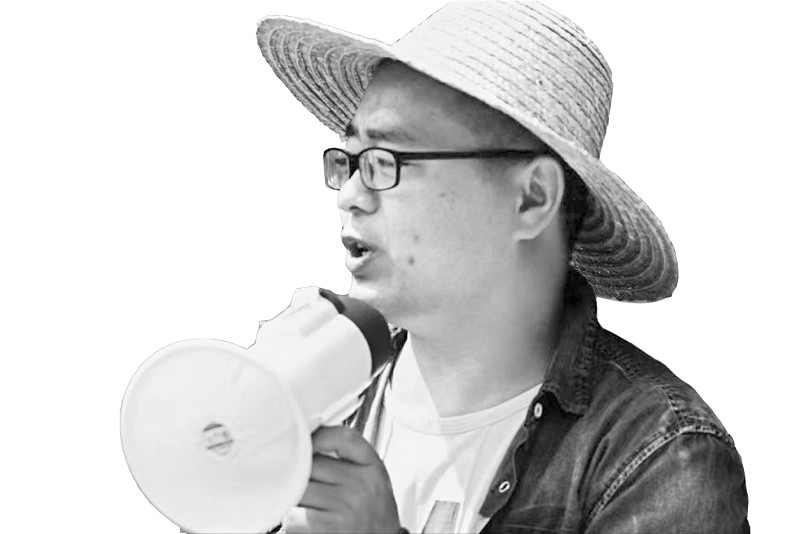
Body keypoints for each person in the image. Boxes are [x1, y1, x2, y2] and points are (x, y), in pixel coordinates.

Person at [255, 1, 749, 532]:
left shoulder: (659, 455)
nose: (350, 195)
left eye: (386, 161)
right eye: (350, 160)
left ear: (531, 198)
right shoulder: (316, 382)